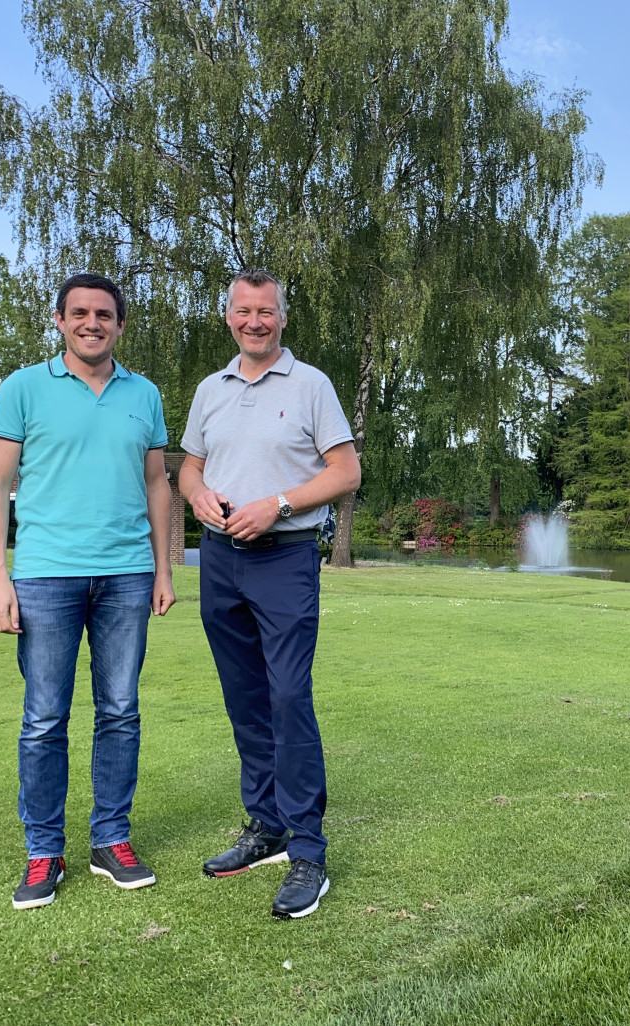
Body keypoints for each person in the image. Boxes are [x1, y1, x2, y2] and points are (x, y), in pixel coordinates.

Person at [0, 273, 176, 910]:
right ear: (60, 320)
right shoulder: (23, 388)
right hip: (44, 575)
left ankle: (110, 840)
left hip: (125, 575)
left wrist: (164, 570)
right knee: (44, 719)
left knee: (120, 710)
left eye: (105, 315)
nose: (92, 324)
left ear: (120, 325)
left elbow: (157, 487)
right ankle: (44, 852)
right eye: (80, 314)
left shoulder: (144, 394)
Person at [179, 268, 360, 920]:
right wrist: (195, 493)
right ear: (228, 315)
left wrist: (279, 503)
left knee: (287, 698)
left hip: (283, 558)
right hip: (219, 561)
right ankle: (266, 826)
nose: (254, 321)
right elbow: (190, 466)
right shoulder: (210, 389)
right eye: (243, 310)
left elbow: (346, 470)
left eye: (266, 311)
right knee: (246, 700)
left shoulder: (311, 385)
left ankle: (308, 849)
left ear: (283, 317)